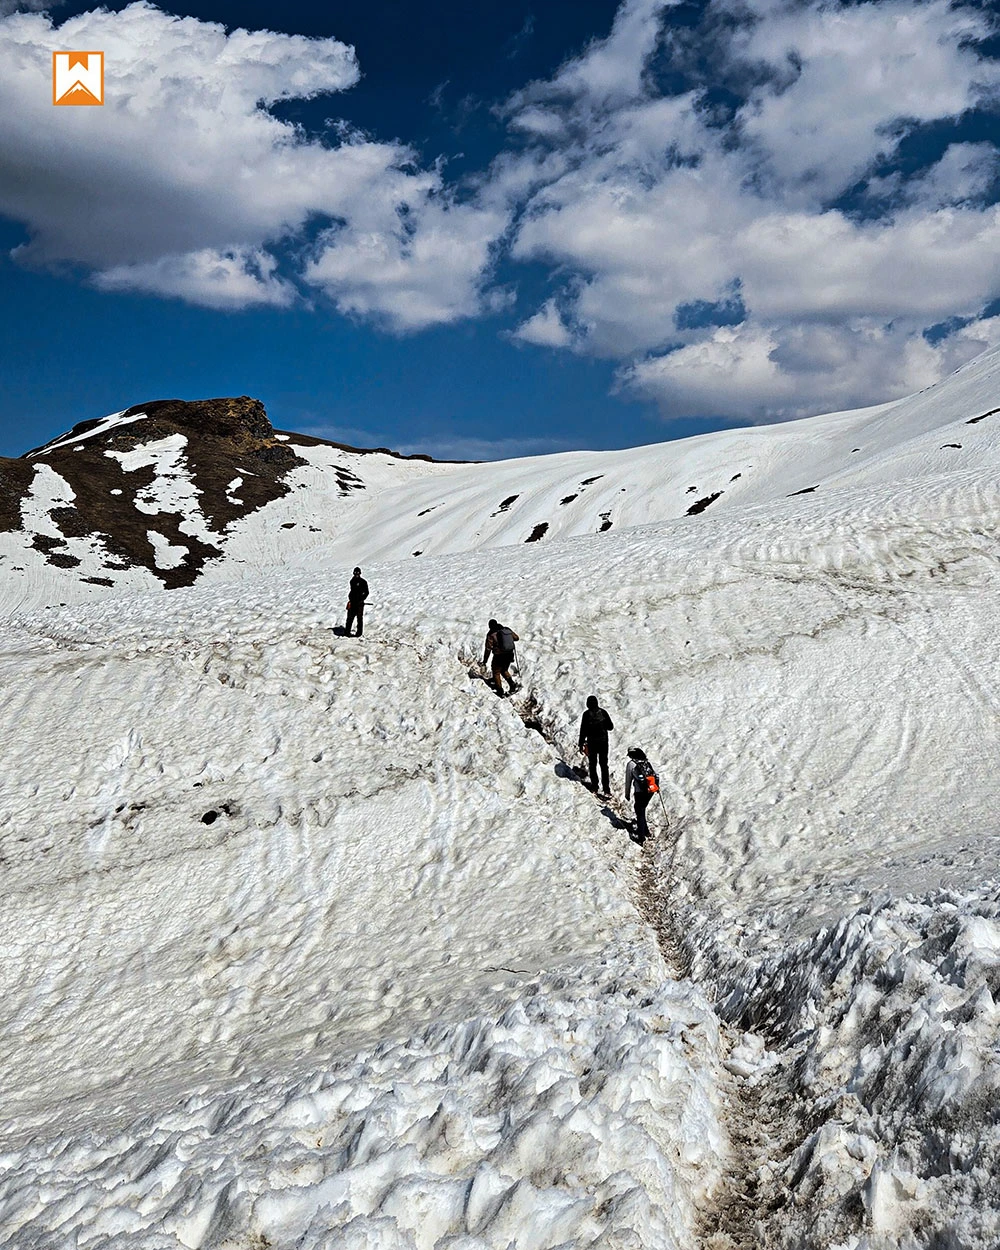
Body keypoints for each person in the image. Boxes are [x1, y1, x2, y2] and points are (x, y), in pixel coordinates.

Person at [578, 695, 614, 796]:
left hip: (592, 743)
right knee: (604, 765)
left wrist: (581, 743)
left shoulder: (586, 714)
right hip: (603, 743)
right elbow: (610, 727)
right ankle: (606, 789)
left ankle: (595, 786)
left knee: (592, 765)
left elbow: (583, 730)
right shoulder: (603, 712)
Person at [625, 746, 659, 843]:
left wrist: (627, 794)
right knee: (641, 809)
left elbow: (628, 780)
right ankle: (646, 831)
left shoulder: (631, 764)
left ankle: (641, 837)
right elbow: (655, 775)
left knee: (639, 811)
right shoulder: (646, 762)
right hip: (650, 791)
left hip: (640, 792)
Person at [483, 618, 519, 697]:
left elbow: (488, 648)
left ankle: (500, 691)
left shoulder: (491, 634)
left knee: (496, 672)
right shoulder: (506, 630)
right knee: (504, 670)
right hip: (509, 654)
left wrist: (485, 660)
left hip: (499, 656)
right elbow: (516, 638)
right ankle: (512, 685)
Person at [345, 566, 369, 636]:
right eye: (355, 573)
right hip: (352, 602)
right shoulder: (352, 581)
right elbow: (352, 591)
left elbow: (366, 592)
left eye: (358, 573)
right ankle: (347, 632)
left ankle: (359, 633)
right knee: (350, 618)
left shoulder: (363, 582)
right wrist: (350, 598)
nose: (356, 575)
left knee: (359, 619)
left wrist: (362, 599)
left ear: (360, 573)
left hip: (359, 603)